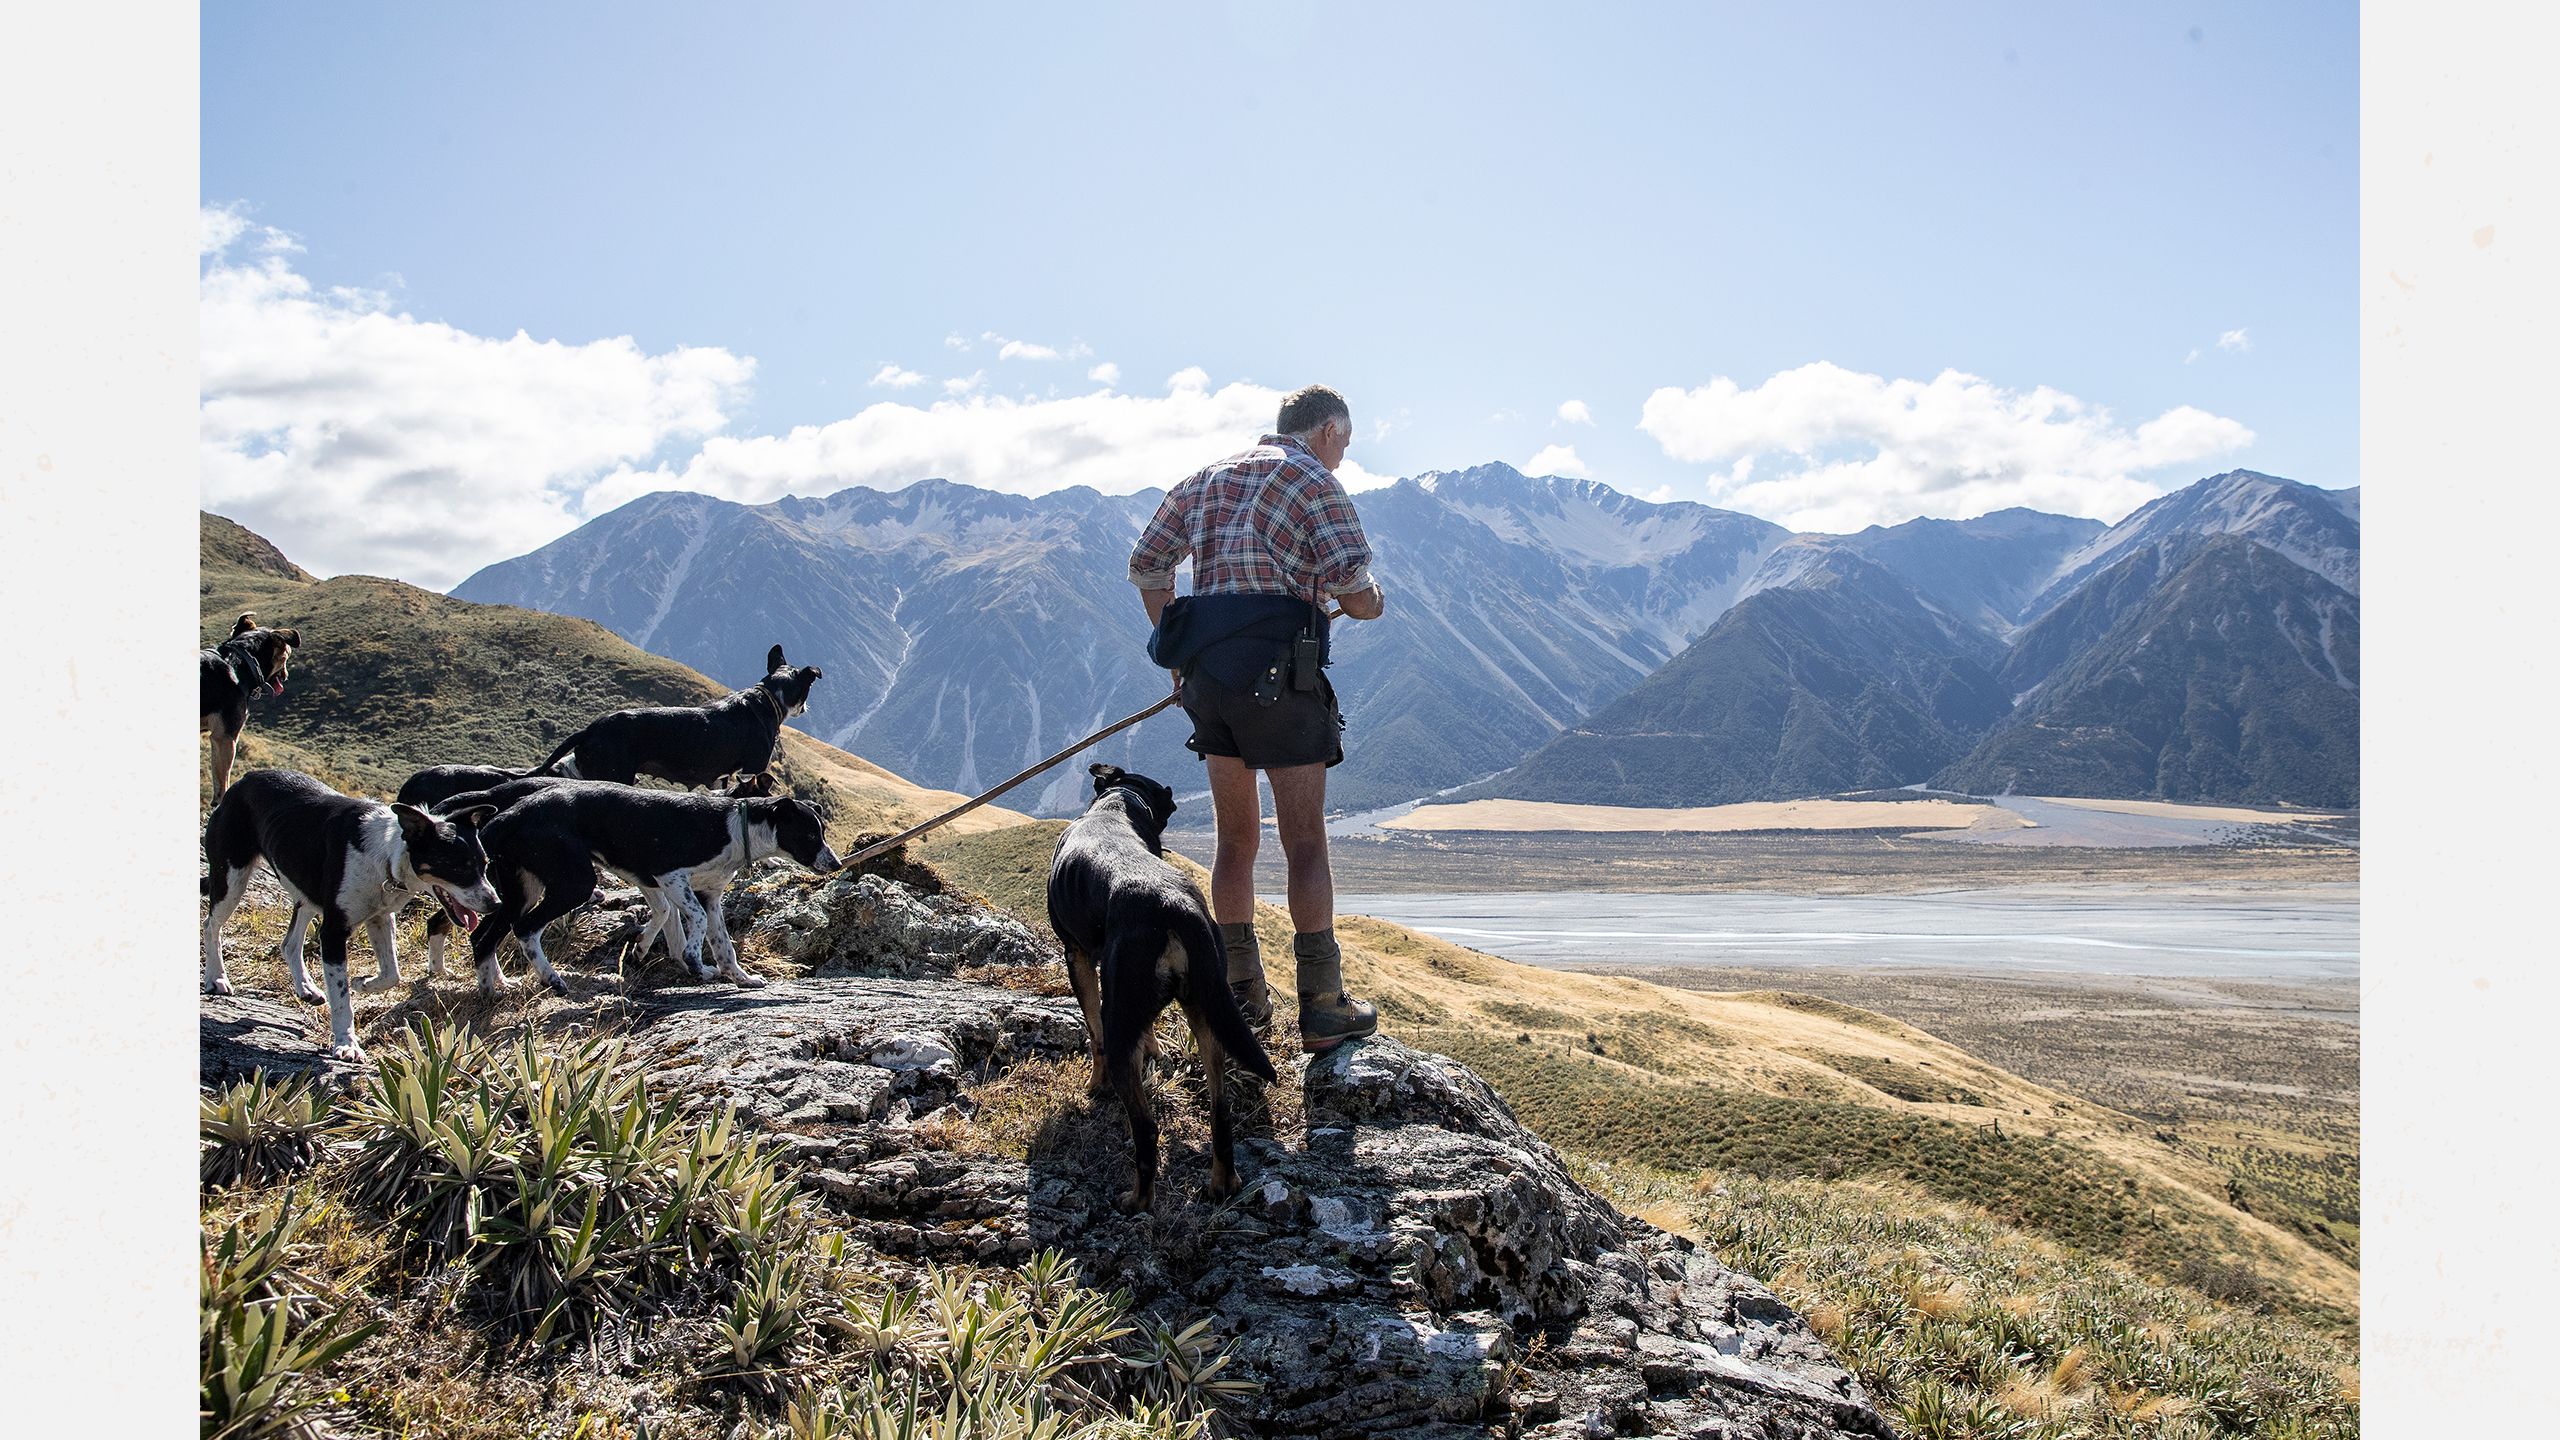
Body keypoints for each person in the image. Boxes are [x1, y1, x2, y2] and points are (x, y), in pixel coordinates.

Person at [1129, 384, 1387, 1053]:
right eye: (1346, 445)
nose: (1342, 459)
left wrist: (1177, 658)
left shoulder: (1208, 477)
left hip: (1209, 684)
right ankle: (1324, 1006)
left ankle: (1242, 1000)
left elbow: (1147, 564)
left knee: (1234, 842)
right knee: (1304, 842)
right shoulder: (1312, 480)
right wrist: (1371, 600)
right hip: (1282, 682)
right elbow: (1356, 597)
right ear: (1328, 430)